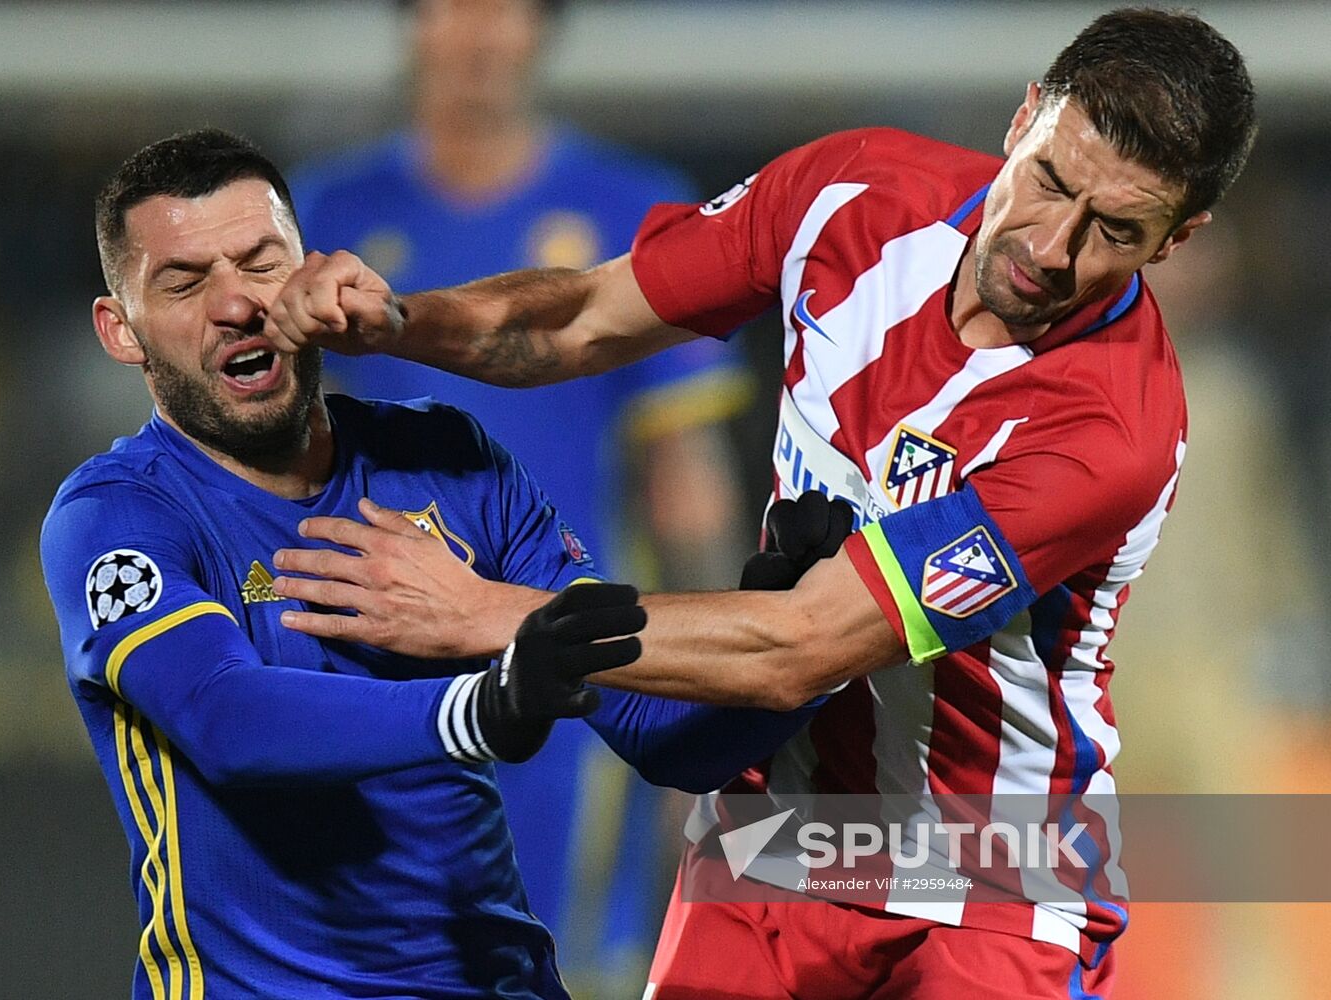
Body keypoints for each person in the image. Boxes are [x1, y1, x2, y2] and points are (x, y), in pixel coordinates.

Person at [264, 8, 1257, 997]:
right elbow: (585, 317)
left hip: (988, 872)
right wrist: (397, 320)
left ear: (1178, 236)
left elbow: (803, 647)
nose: (1050, 246)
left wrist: (488, 612)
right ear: (1024, 117)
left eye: (1115, 230)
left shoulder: (1104, 432)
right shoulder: (854, 193)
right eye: (1049, 182)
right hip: (774, 836)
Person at [37, 128, 820, 1000]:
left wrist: (795, 626)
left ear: (312, 273)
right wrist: (477, 709)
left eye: (261, 264)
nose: (237, 304)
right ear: (122, 330)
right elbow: (226, 719)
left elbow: (662, 734)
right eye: (184, 282)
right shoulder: (117, 515)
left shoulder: (447, 457)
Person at [287, 1, 753, 978]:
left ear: (545, 26)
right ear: (410, 21)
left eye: (507, 7)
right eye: (455, 5)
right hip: (353, 682)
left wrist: (710, 708)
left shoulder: (634, 210)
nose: (480, 32)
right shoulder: (320, 219)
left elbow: (686, 487)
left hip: (561, 682)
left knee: (551, 960)